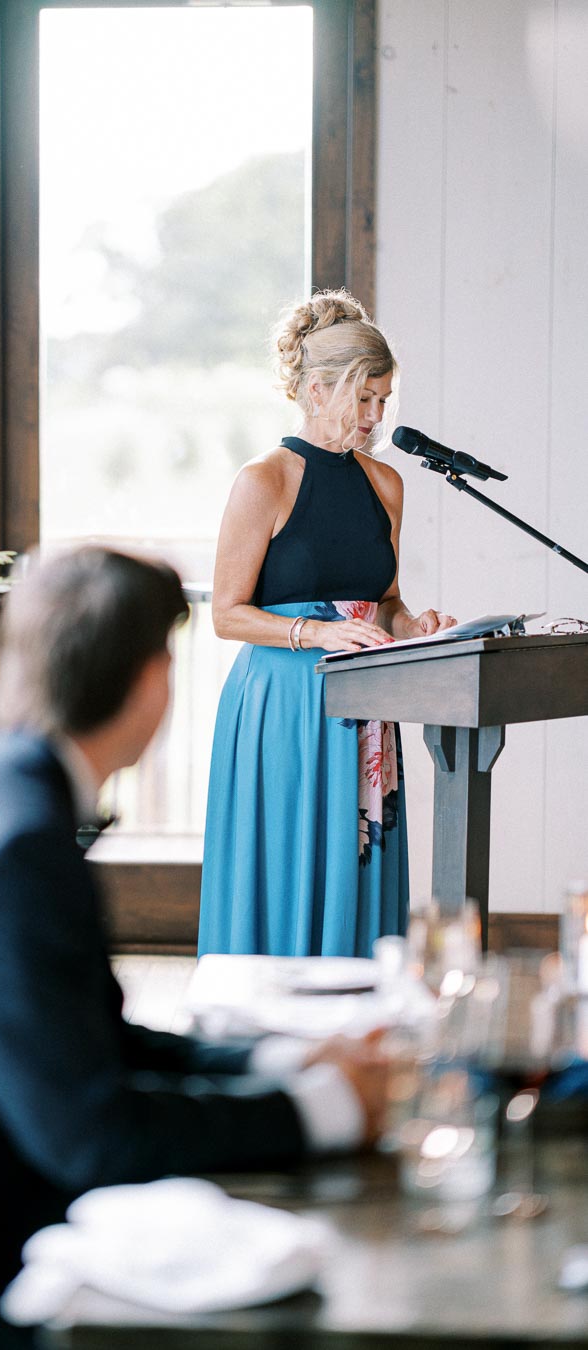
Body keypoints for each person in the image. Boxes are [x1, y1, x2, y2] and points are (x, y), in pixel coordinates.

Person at [0, 545, 389, 1350]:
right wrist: (325, 1109)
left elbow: (96, 1042)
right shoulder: (7, 840)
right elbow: (93, 1138)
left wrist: (280, 1060)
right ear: (152, 685)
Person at [198, 290, 455, 960]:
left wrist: (411, 622)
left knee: (358, 869)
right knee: (288, 865)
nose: (374, 418)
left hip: (368, 707)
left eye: (383, 400)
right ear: (317, 389)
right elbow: (227, 614)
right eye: (363, 399)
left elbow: (388, 599)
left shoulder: (387, 484)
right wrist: (317, 634)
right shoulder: (263, 481)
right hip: (283, 709)